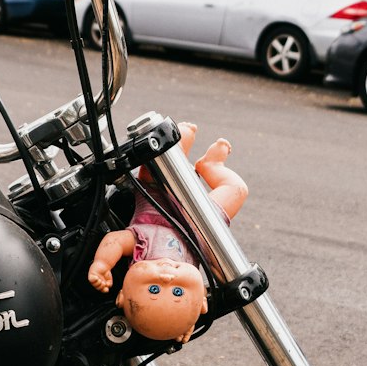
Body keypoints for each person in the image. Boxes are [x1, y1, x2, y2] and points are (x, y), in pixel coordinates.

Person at [87, 122, 247, 343]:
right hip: (202, 221)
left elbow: (114, 240)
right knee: (237, 190)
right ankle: (212, 166)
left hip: (156, 196)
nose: (167, 278)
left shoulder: (142, 250)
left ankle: (178, 145)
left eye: (153, 288)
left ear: (123, 295)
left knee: (157, 162)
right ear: (202, 300)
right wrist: (186, 320)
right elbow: (218, 275)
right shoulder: (195, 264)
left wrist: (102, 264)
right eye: (178, 292)